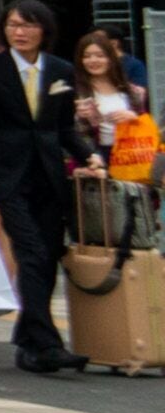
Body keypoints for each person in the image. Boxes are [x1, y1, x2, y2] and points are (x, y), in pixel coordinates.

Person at [0, 0, 95, 377]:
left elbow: (64, 127)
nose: (18, 32)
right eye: (12, 25)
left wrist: (88, 157)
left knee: (48, 255)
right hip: (7, 177)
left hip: (49, 176)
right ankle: (49, 345)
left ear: (43, 30)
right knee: (32, 253)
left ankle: (28, 343)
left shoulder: (61, 69)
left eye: (27, 25)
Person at [66, 28, 155, 259]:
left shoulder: (132, 91)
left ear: (112, 56)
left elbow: (148, 126)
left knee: (136, 222)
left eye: (99, 55)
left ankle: (136, 275)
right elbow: (67, 134)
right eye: (87, 56)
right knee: (102, 225)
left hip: (131, 157)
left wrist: (133, 118)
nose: (93, 61)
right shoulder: (75, 92)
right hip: (94, 159)